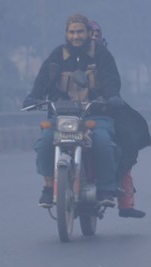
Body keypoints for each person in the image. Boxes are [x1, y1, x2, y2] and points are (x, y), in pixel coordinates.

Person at [23, 14, 121, 210]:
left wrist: (112, 97)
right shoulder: (57, 55)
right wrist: (34, 96)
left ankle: (106, 190)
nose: (76, 36)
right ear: (66, 34)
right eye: (72, 32)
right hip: (62, 117)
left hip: (95, 114)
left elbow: (111, 80)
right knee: (45, 143)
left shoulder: (101, 54)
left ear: (88, 33)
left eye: (80, 32)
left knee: (103, 142)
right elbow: (43, 79)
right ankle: (49, 187)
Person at [90, 20, 149, 218]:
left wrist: (112, 96)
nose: (91, 37)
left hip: (104, 110)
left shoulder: (104, 57)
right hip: (71, 113)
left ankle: (125, 202)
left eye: (94, 33)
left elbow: (112, 81)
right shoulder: (64, 55)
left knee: (127, 143)